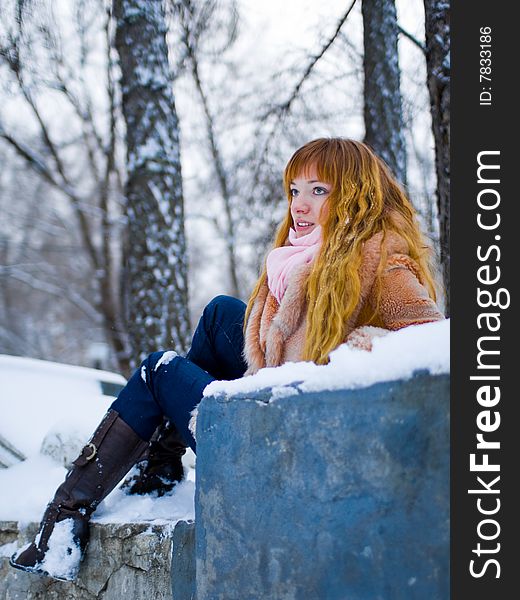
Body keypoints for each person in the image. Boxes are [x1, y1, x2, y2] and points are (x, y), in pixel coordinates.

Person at [10, 137, 444, 581]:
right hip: (276, 411)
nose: (300, 204)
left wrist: (355, 351)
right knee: (221, 312)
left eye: (319, 190)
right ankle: (158, 469)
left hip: (288, 444)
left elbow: (432, 346)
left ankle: (63, 521)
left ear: (355, 193)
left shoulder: (381, 263)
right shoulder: (301, 262)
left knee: (158, 369)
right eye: (294, 190)